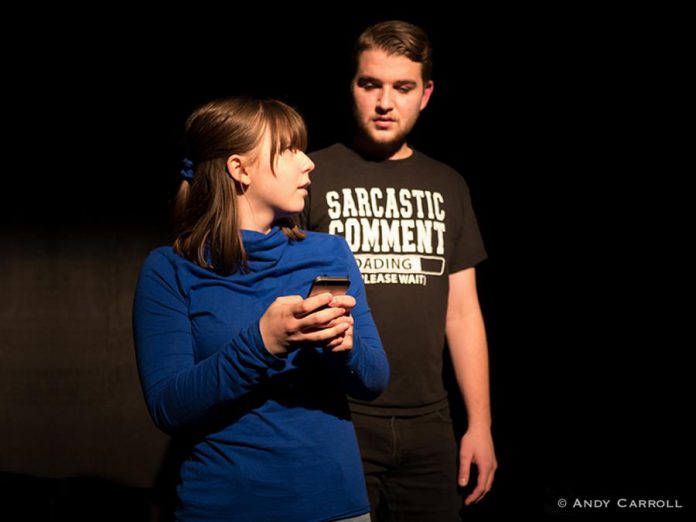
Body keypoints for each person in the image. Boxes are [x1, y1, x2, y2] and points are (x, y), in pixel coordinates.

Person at [132, 96, 389, 522]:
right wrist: (263, 342)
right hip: (225, 508)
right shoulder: (170, 270)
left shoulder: (328, 253)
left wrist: (344, 347)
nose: (308, 163)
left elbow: (375, 379)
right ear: (240, 168)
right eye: (289, 150)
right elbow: (168, 408)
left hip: (333, 505)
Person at [300, 21, 497, 521]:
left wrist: (481, 425)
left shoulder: (448, 184)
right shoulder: (309, 175)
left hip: (429, 424)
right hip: (334, 415)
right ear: (353, 87)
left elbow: (463, 313)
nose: (385, 102)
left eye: (403, 87)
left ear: (426, 94)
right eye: (371, 85)